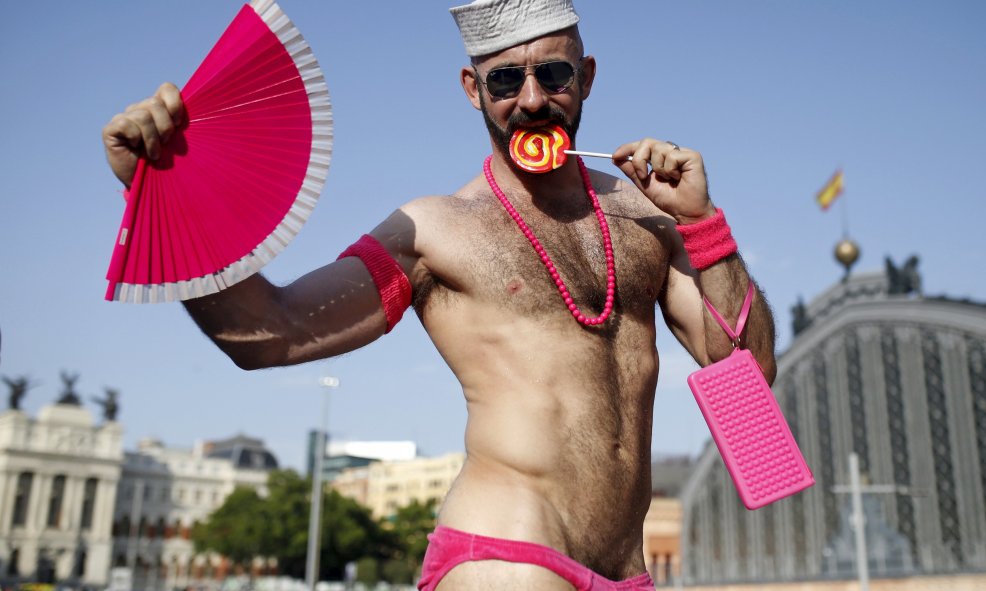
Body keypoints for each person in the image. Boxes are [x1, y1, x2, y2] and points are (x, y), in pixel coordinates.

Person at [101, 1, 776, 589]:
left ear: (587, 77)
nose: (533, 99)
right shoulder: (433, 230)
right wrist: (158, 195)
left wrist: (703, 225)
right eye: (506, 79)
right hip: (507, 557)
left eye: (554, 74)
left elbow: (745, 366)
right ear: (471, 87)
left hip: (627, 570)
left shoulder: (644, 217)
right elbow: (271, 332)